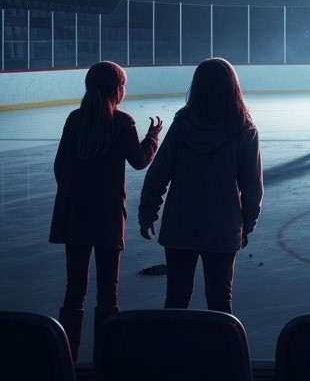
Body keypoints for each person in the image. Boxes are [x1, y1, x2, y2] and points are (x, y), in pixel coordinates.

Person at [49, 61, 162, 361]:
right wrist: (152, 137)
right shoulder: (122, 122)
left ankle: (68, 359)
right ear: (117, 89)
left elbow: (60, 167)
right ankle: (106, 360)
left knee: (74, 290)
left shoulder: (75, 120)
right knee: (108, 293)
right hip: (108, 217)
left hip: (75, 217)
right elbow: (139, 161)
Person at [137, 58, 263, 313]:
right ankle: (219, 352)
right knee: (220, 301)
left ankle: (174, 351)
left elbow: (158, 173)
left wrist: (147, 212)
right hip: (223, 226)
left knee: (176, 298)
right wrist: (246, 225)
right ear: (233, 87)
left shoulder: (182, 124)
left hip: (180, 224)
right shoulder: (245, 130)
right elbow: (253, 188)